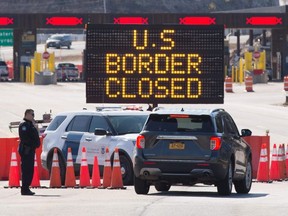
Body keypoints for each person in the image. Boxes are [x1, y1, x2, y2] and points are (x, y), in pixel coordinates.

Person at [18, 109, 40, 195]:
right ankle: (25, 189)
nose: (33, 116)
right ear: (27, 114)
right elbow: (25, 138)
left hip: (30, 150)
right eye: (32, 114)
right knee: (26, 170)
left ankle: (26, 188)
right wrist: (33, 144)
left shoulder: (30, 124)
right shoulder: (24, 124)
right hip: (27, 150)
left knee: (30, 170)